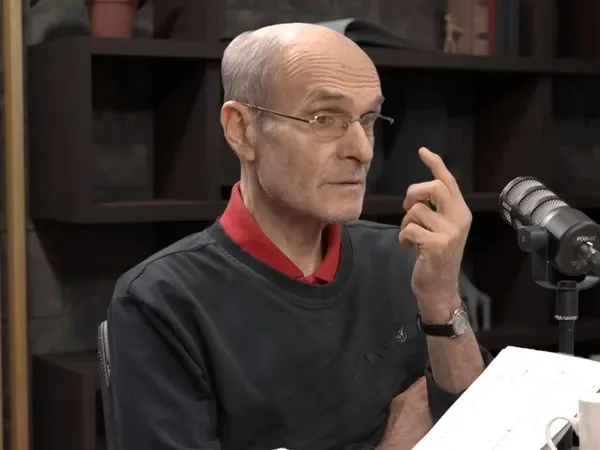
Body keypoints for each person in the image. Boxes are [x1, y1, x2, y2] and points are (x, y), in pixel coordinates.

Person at [108, 22, 492, 450]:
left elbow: (486, 433)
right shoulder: (162, 300)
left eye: (367, 119)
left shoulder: (402, 256)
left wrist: (441, 300)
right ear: (241, 130)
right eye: (325, 119)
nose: (362, 150)